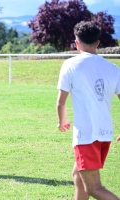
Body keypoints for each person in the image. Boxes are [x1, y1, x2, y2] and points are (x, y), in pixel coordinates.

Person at [56, 21, 120, 200]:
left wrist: (62, 121)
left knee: (93, 187)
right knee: (78, 177)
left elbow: (61, 102)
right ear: (98, 43)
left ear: (76, 43)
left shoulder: (70, 65)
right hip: (105, 134)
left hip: (87, 135)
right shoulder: (113, 69)